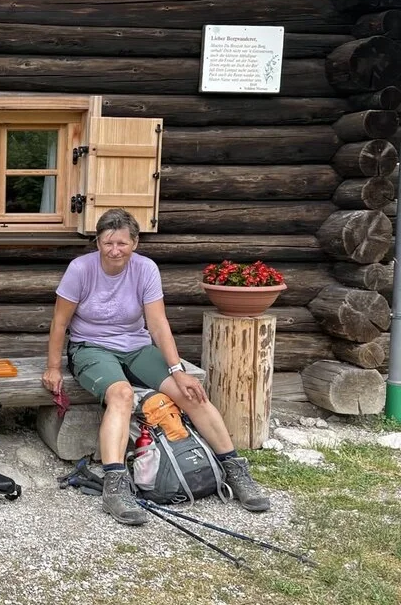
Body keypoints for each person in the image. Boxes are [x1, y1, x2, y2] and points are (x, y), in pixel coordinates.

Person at [42, 208, 270, 525]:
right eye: (107, 243)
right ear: (97, 242)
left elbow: (158, 323)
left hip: (136, 345)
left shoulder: (146, 269)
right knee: (121, 395)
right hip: (90, 347)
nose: (114, 250)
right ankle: (115, 486)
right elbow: (60, 321)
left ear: (134, 243)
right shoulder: (81, 269)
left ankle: (235, 469)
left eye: (122, 243)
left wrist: (178, 370)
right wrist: (54, 366)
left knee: (189, 393)